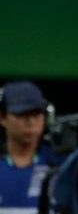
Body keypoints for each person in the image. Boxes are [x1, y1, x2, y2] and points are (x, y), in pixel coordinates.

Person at [0, 81, 59, 214]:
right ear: (3, 117)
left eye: (36, 113)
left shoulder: (61, 165)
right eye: (21, 114)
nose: (31, 122)